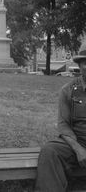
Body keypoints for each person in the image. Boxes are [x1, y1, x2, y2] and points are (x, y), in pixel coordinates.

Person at [35, 42, 86, 192]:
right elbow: (63, 125)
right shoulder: (68, 90)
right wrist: (79, 150)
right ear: (80, 65)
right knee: (50, 151)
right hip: (77, 141)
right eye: (85, 62)